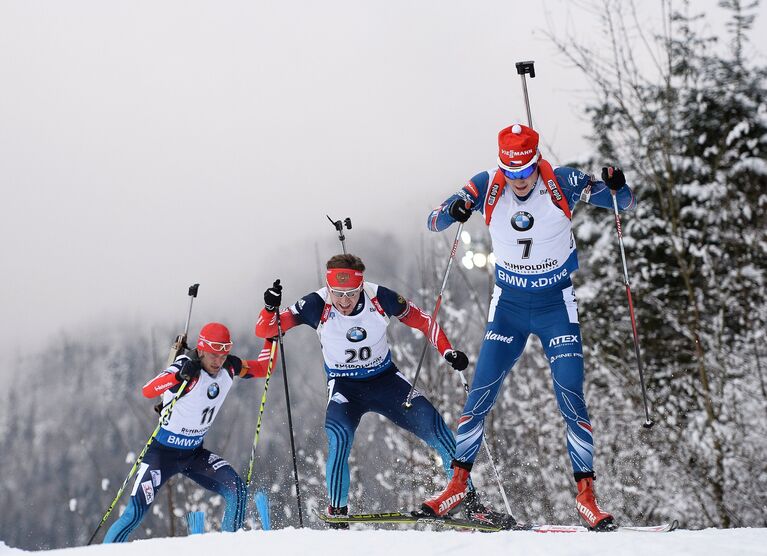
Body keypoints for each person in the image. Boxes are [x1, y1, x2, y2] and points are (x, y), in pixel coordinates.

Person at [421, 123, 635, 530]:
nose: (518, 182)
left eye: (525, 173)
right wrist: (454, 211)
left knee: (571, 393)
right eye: (511, 173)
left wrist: (617, 184)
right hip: (510, 308)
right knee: (480, 393)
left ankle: (587, 497)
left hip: (556, 305)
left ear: (537, 164)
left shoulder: (565, 182)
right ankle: (456, 485)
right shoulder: (487, 184)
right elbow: (433, 220)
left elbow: (622, 203)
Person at [255, 254, 515, 528]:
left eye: (351, 294)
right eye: (338, 294)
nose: (344, 301)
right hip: (345, 389)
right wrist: (269, 308)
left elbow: (424, 320)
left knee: (437, 428)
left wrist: (448, 351)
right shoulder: (315, 304)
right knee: (339, 437)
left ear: (361, 286)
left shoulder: (380, 298)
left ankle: (473, 505)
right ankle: (337, 514)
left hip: (386, 382)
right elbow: (266, 329)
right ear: (329, 288)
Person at [103, 323, 275, 542]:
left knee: (237, 490)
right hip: (161, 455)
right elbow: (148, 390)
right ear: (201, 349)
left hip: (194, 455)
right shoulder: (185, 366)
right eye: (213, 355)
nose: (218, 361)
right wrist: (177, 377)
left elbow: (263, 367)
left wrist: (272, 337)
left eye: (223, 355)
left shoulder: (229, 367)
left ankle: (230, 548)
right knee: (134, 514)